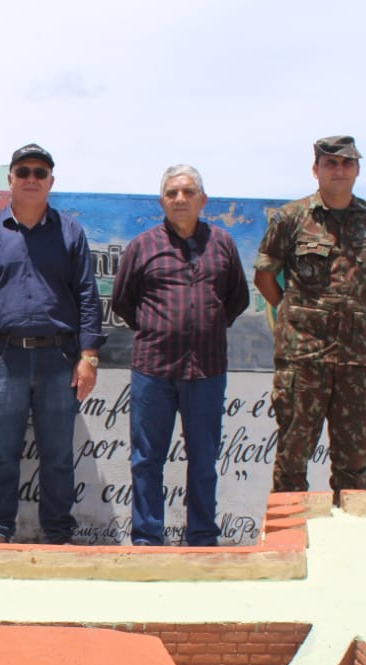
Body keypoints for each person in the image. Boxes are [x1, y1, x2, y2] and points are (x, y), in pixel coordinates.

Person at [0, 144, 105, 545]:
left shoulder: (70, 232)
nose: (31, 179)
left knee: (58, 454)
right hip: (3, 358)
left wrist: (88, 357)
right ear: (10, 179)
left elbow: (88, 297)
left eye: (40, 173)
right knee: (2, 451)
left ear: (51, 182)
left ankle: (57, 532)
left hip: (60, 357)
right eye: (23, 172)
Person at [111, 164, 250, 546]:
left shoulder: (222, 243)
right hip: (153, 370)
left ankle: (203, 536)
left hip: (206, 369)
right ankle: (147, 538)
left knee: (204, 461)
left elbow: (238, 298)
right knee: (146, 460)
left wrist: (204, 325)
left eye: (188, 192)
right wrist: (160, 328)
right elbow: (124, 301)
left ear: (203, 200)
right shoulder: (143, 246)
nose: (180, 199)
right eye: (172, 193)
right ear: (162, 202)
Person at [254, 135, 366, 499]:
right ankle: (290, 545)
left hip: (355, 359)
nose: (339, 170)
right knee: (292, 457)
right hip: (303, 359)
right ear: (316, 170)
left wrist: (349, 308)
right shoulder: (291, 218)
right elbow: (265, 276)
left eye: (347, 163)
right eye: (330, 164)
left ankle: (352, 543)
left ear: (358, 170)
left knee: (354, 460)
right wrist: (295, 314)